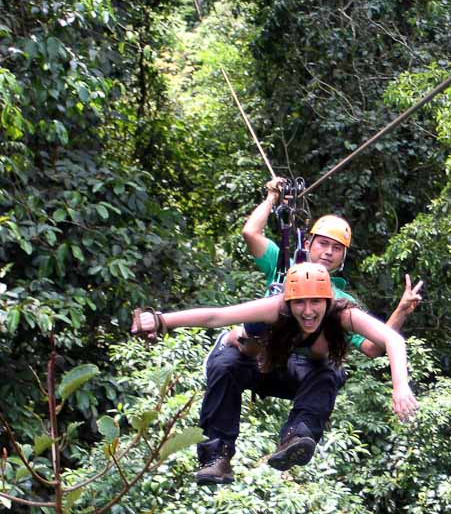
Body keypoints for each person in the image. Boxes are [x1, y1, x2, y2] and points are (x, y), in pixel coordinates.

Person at [132, 262, 418, 485]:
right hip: (246, 360)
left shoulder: (342, 314)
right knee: (225, 365)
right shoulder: (273, 309)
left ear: (328, 301)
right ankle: (216, 456)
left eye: (315, 302)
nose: (308, 311)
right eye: (300, 303)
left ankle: (298, 436)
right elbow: (215, 317)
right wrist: (160, 320)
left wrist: (400, 386)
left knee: (329, 373)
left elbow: (391, 340)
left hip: (288, 371)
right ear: (288, 301)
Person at [243, 177, 422, 356]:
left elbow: (372, 348)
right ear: (306, 244)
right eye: (323, 243)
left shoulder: (342, 301)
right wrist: (271, 197)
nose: (329, 252)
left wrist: (401, 311)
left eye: (337, 248)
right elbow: (250, 233)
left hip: (301, 370)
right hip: (259, 354)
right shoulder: (282, 264)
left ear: (342, 258)